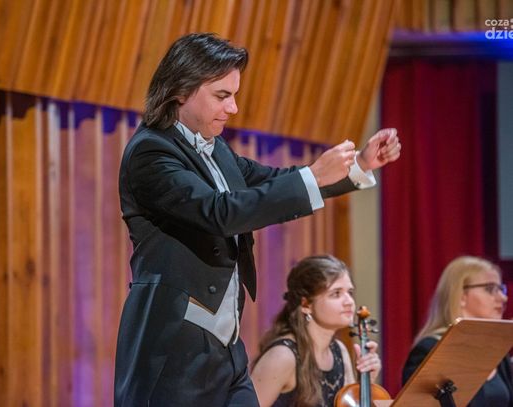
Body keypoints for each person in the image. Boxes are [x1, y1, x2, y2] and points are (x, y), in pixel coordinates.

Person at [114, 32, 401, 406]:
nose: (233, 108)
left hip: (225, 348)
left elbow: (271, 182)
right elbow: (220, 212)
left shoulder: (216, 149)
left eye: (234, 95)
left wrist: (358, 166)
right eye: (222, 95)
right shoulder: (151, 152)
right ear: (181, 91)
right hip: (172, 348)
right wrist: (313, 175)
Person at [251, 255, 382, 407]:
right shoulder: (282, 356)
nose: (349, 302)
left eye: (350, 293)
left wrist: (366, 381)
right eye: (336, 294)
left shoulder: (339, 351)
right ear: (306, 305)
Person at [402, 256, 513, 406]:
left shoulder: (497, 351)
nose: (503, 298)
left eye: (501, 289)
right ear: (461, 296)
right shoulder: (430, 349)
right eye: (490, 289)